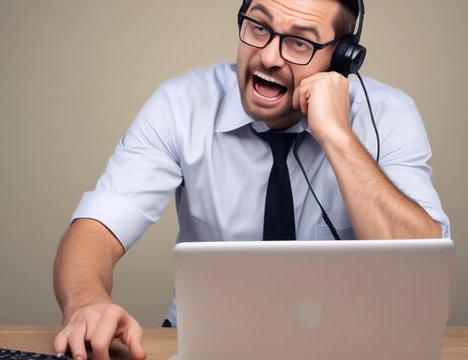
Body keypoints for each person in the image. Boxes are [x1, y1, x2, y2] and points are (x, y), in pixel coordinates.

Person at [53, 0, 450, 359]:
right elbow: (98, 228)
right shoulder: (181, 106)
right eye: (259, 27)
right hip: (205, 344)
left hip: (351, 347)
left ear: (342, 58)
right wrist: (86, 302)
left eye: (300, 42)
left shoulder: (388, 115)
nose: (269, 56)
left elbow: (420, 271)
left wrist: (337, 136)